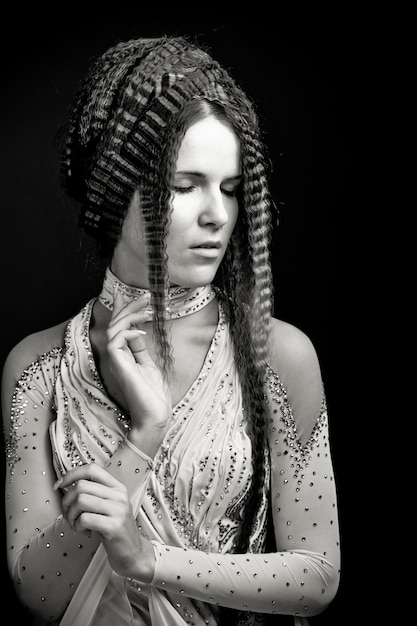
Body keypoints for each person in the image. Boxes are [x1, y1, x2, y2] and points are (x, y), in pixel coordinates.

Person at [1, 35, 340, 626]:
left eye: (230, 189)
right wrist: (143, 436)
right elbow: (40, 594)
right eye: (184, 187)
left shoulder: (276, 356)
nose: (217, 214)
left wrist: (149, 560)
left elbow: (316, 576)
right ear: (114, 192)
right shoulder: (39, 367)